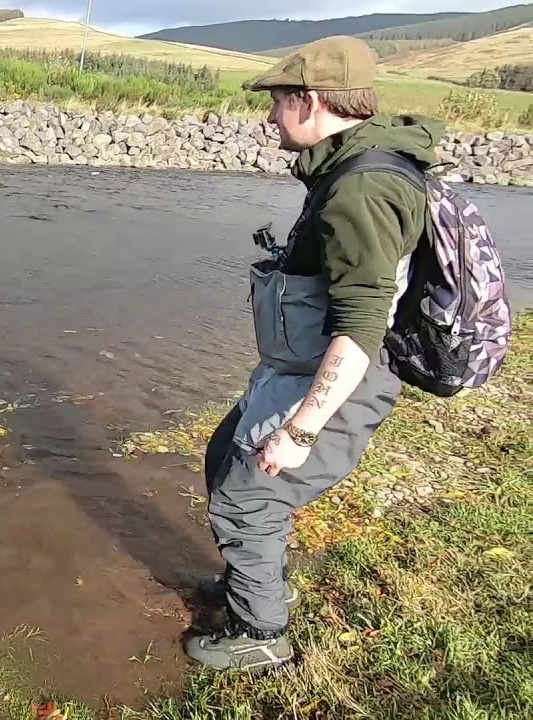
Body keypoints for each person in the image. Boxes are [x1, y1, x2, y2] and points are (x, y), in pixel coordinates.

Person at [183, 35, 445, 670]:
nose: (269, 116)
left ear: (311, 101)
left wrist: (300, 430)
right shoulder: (350, 165)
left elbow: (360, 328)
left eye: (277, 103)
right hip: (296, 365)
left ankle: (261, 634)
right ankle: (257, 575)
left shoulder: (362, 188)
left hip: (337, 375)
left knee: (249, 496)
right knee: (226, 458)